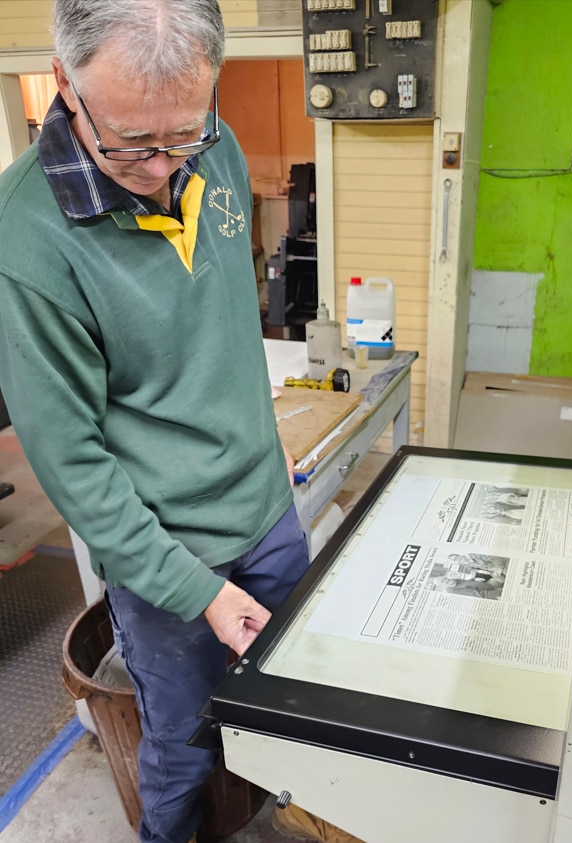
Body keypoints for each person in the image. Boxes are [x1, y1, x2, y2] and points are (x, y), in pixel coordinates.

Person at [0, 3, 359, 842]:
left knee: (283, 703)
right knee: (183, 739)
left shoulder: (217, 148)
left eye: (183, 137)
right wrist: (196, 589)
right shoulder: (28, 241)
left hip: (266, 510)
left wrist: (268, 473)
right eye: (131, 144)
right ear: (66, 88)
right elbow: (75, 468)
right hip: (165, 544)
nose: (162, 168)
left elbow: (218, 337)